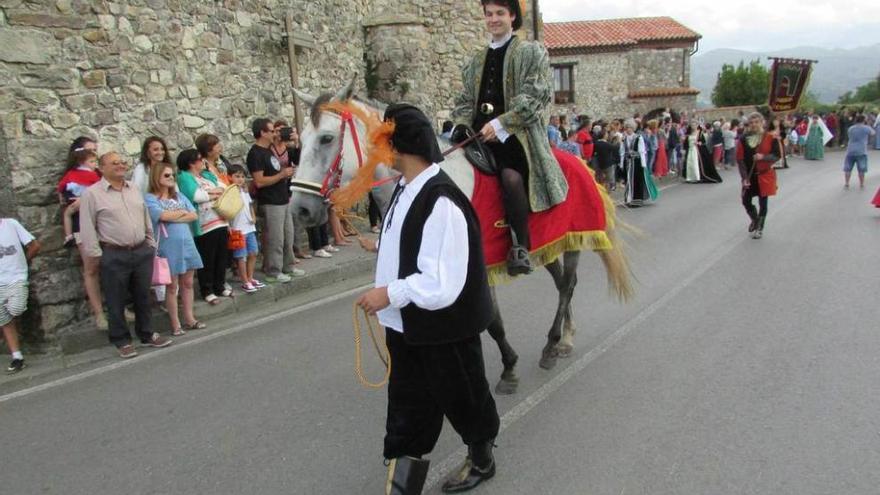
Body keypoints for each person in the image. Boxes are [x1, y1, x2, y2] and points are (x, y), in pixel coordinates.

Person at [356, 104, 499, 495]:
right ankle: (402, 488)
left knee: (465, 399)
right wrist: (381, 247)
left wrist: (389, 292)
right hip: (407, 326)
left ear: (403, 147)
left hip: (445, 329)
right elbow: (412, 240)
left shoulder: (442, 201)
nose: (380, 151)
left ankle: (483, 459)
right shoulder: (406, 187)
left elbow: (441, 284)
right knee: (408, 408)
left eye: (386, 142)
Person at [452, 0, 568, 276]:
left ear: (512, 16)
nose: (493, 19)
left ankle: (520, 246)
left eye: (500, 14)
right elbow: (465, 101)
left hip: (516, 134)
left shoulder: (530, 52)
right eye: (489, 14)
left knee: (511, 178)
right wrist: (460, 124)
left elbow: (535, 96)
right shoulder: (475, 61)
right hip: (478, 135)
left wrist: (502, 123)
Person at [79, 152, 173, 358]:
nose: (121, 166)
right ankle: (121, 340)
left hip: (141, 250)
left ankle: (146, 333)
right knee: (116, 299)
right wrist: (97, 255)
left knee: (142, 295)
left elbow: (144, 215)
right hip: (114, 252)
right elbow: (87, 226)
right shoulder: (92, 194)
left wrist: (149, 243)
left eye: (122, 162)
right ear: (101, 168)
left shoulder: (134, 189)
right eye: (114, 163)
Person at [144, 163, 206, 336]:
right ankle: (175, 323)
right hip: (168, 245)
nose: (171, 178)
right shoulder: (150, 198)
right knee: (172, 286)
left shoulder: (178, 196)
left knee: (188, 282)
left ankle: (189, 318)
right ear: (157, 178)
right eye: (166, 175)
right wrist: (181, 215)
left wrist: (174, 216)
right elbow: (161, 216)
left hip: (186, 242)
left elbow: (193, 214)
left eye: (172, 175)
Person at [57, 137, 106, 330]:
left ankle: (116, 306)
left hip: (103, 223)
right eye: (90, 150)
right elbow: (65, 200)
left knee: (110, 266)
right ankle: (99, 313)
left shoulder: (99, 173)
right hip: (82, 225)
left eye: (95, 150)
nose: (94, 153)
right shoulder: (71, 176)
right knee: (91, 268)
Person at [176, 149, 231, 304]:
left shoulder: (206, 176)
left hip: (220, 220)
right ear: (191, 163)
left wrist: (211, 192)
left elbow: (224, 187)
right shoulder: (185, 177)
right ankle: (207, 289)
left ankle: (219, 285)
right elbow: (196, 196)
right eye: (200, 159)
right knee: (208, 257)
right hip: (204, 224)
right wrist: (213, 194)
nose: (203, 162)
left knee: (221, 256)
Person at [246, 118, 295, 284]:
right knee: (276, 238)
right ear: (262, 133)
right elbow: (259, 181)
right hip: (271, 201)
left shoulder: (269, 151)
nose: (275, 134)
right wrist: (281, 175)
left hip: (283, 198)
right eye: (271, 131)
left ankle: (288, 266)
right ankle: (273, 271)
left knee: (288, 235)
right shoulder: (255, 153)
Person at [0, 217, 40, 373]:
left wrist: (24, 262)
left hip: (16, 277)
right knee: (4, 320)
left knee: (15, 309)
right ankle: (17, 356)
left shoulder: (11, 224)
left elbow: (35, 245)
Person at [737, 112, 781, 240]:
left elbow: (777, 155)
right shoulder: (743, 138)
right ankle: (755, 219)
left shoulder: (769, 137)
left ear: (762, 122)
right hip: (750, 176)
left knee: (763, 203)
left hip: (764, 175)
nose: (754, 125)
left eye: (756, 122)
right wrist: (744, 177)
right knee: (745, 200)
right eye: (751, 123)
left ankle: (760, 228)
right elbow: (740, 159)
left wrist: (763, 157)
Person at [226, 165, 264, 293]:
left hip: (249, 227)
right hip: (237, 229)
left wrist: (253, 216)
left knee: (253, 252)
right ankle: (244, 281)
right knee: (241, 256)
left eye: (242, 176)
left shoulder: (244, 191)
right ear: (229, 177)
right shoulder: (229, 192)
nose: (240, 179)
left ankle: (250, 277)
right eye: (237, 176)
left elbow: (250, 205)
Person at [57, 149, 101, 249]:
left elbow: (61, 186)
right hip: (86, 200)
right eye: (92, 162)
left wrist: (61, 199)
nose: (95, 164)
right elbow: (100, 187)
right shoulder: (92, 174)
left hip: (72, 199)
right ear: (82, 162)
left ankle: (68, 236)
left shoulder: (70, 173)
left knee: (67, 215)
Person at [619, 118, 659, 206]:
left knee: (636, 181)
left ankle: (637, 200)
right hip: (627, 162)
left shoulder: (638, 137)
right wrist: (621, 163)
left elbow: (642, 151)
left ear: (633, 128)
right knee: (628, 180)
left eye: (630, 127)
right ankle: (629, 199)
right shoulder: (624, 138)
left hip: (636, 162)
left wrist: (643, 164)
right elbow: (622, 151)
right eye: (627, 128)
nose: (628, 129)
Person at [842, 115, 876, 189]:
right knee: (861, 168)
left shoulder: (851, 128)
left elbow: (849, 135)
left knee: (848, 168)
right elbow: (873, 133)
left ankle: (847, 183)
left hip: (850, 149)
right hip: (861, 150)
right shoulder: (866, 128)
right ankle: (861, 183)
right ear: (864, 120)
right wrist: (868, 124)